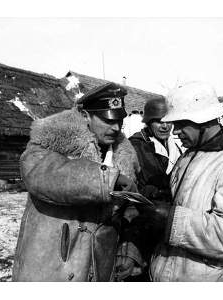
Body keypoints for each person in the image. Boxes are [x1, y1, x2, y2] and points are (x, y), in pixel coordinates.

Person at [12, 82, 143, 281]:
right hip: (51, 271)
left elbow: (129, 214)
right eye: (107, 120)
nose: (115, 128)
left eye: (119, 120)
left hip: (99, 270)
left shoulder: (124, 157)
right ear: (85, 116)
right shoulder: (50, 142)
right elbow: (40, 175)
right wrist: (106, 179)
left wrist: (128, 250)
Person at [143, 81, 223, 281]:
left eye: (181, 124)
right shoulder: (187, 157)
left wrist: (172, 220)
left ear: (203, 120)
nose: (175, 131)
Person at [125, 97, 184, 280]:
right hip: (143, 220)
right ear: (149, 122)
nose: (165, 126)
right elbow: (129, 187)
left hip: (168, 221)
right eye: (159, 121)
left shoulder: (176, 146)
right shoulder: (135, 146)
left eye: (168, 121)